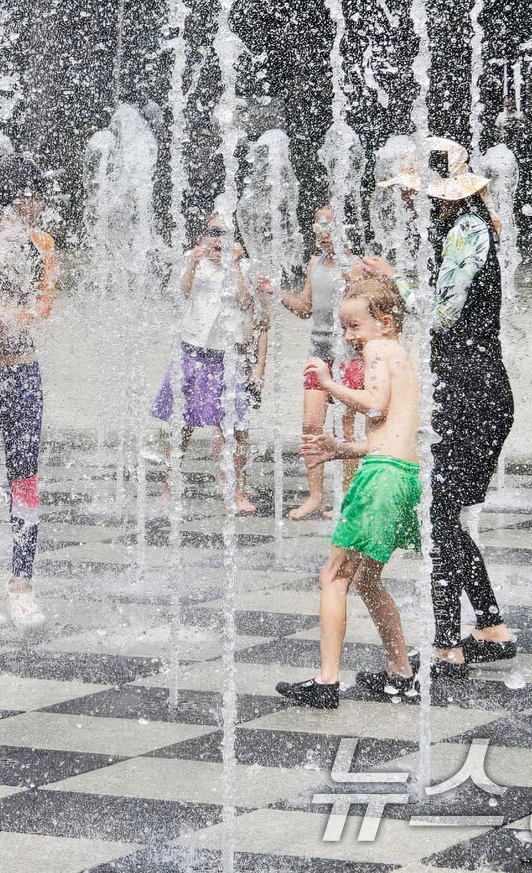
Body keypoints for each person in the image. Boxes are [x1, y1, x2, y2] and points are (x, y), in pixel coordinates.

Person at [366, 137, 517, 677]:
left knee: (439, 515)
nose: (408, 200)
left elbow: (443, 314)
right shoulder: (458, 229)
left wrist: (394, 280)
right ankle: (490, 628)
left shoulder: (468, 231)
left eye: (414, 191)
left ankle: (448, 644)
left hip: (475, 391)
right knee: (445, 514)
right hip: (469, 388)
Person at [276, 277, 421, 708]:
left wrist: (326, 383)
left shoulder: (379, 349)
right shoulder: (402, 357)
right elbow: (391, 436)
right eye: (344, 327)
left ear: (385, 322)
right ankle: (400, 673)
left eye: (354, 326)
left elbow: (375, 404)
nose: (348, 336)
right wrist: (341, 449)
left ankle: (326, 682)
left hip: (381, 479)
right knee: (368, 580)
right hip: (403, 475)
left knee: (334, 576)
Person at [0, 153, 57, 627]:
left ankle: (21, 584)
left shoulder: (43, 245)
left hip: (25, 373)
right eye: (34, 194)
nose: (40, 203)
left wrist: (7, 317)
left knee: (24, 477)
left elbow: (42, 309)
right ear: (13, 198)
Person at [151, 212, 268, 514]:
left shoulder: (245, 267)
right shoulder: (194, 263)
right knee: (181, 426)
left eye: (225, 234)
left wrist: (235, 266)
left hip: (226, 358)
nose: (219, 239)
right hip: (191, 352)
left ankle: (237, 491)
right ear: (202, 237)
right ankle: (169, 488)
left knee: (235, 429)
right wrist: (193, 262)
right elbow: (183, 291)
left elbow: (245, 303)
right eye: (214, 232)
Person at [258, 205, 364, 520]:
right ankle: (315, 496)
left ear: (345, 230)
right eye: (319, 228)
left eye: (329, 228)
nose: (323, 235)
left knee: (346, 428)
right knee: (310, 426)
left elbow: (365, 311)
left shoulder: (357, 266)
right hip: (318, 354)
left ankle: (347, 499)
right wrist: (276, 293)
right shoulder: (313, 264)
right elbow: (305, 308)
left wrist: (354, 286)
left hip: (349, 356)